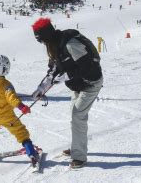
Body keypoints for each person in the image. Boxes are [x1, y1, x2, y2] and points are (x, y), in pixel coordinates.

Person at [31, 18, 103, 169]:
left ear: (47, 36)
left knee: (77, 115)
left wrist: (66, 76)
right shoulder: (55, 46)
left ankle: (79, 157)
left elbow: (88, 66)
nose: (43, 44)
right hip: (78, 86)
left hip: (91, 83)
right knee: (74, 116)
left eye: (43, 41)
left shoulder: (70, 44)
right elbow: (53, 71)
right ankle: (77, 146)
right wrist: (41, 88)